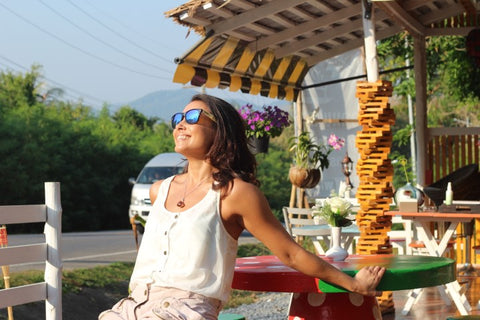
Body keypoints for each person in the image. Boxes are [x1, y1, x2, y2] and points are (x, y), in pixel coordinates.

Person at [99, 94, 385, 320]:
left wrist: (354, 284)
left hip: (185, 311)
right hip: (131, 306)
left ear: (220, 130)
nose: (180, 124)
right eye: (178, 118)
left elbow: (290, 253)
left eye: (193, 116)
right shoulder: (159, 190)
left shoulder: (236, 193)